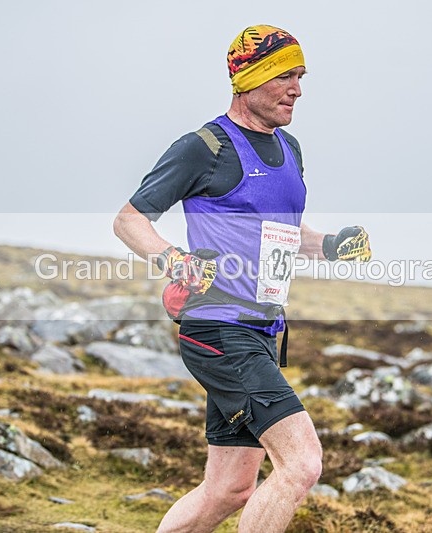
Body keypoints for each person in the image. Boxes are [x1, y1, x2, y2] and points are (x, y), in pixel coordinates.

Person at [113, 24, 372, 533]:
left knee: (229, 489)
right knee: (301, 465)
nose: (296, 88)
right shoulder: (203, 146)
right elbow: (129, 219)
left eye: (300, 75)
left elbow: (283, 231)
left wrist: (331, 246)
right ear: (247, 79)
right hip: (220, 329)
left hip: (267, 330)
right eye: (283, 76)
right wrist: (174, 259)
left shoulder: (290, 149)